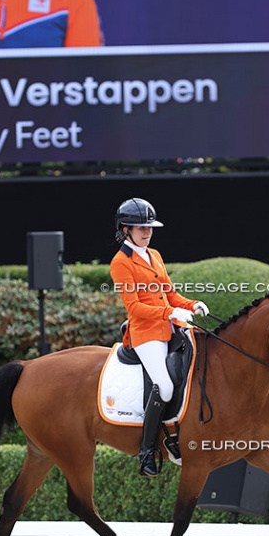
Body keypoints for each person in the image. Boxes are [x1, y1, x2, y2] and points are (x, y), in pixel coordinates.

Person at [109, 198, 209, 477]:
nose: (147, 232)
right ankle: (147, 450)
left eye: (150, 227)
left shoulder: (154, 255)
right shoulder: (120, 263)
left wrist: (191, 305)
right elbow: (135, 308)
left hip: (169, 327)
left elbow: (171, 293)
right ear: (125, 229)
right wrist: (170, 313)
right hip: (145, 334)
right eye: (141, 227)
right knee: (164, 387)